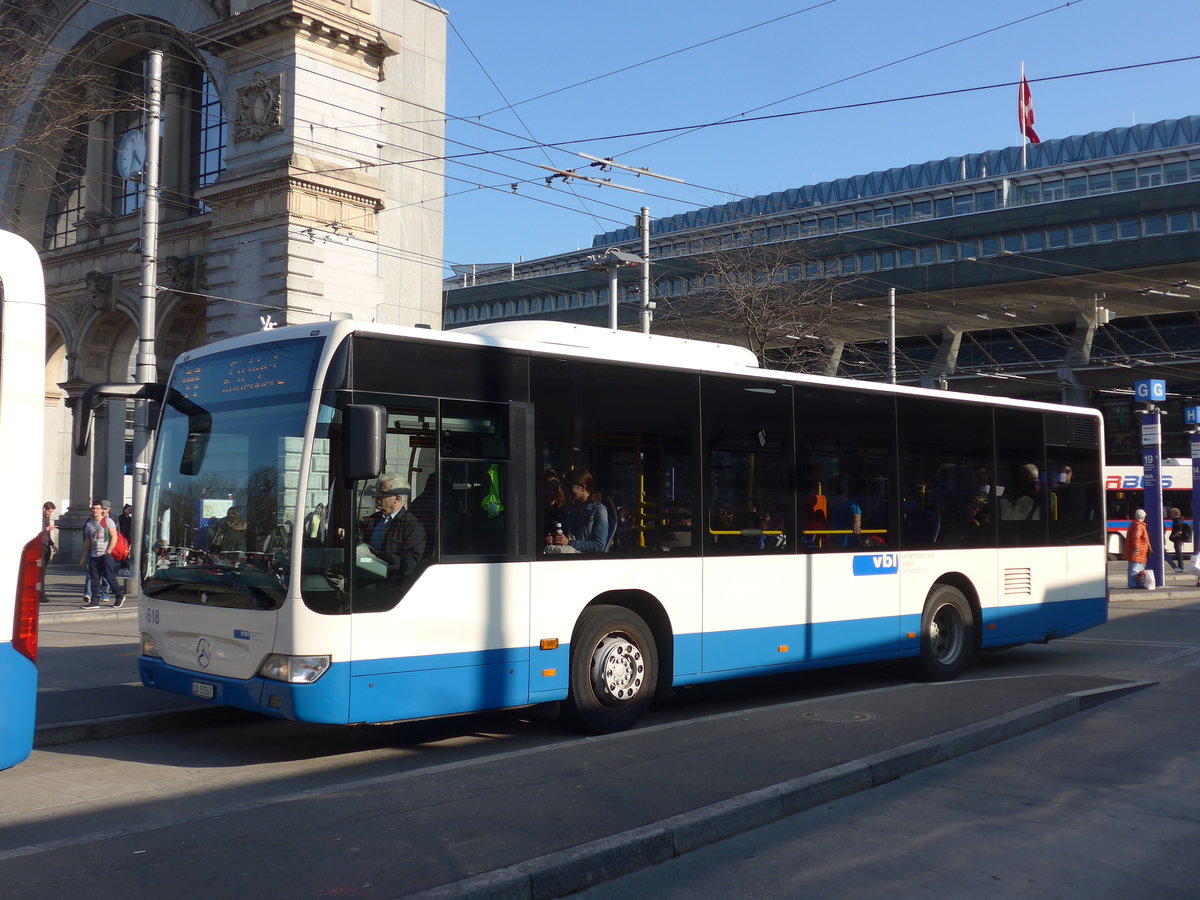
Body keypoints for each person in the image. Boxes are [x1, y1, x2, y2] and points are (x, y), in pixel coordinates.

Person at [359, 473, 427, 577]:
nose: (376, 496)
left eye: (382, 493)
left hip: (390, 585)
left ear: (397, 499)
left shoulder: (413, 527)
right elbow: (358, 535)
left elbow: (408, 565)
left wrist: (377, 559)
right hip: (364, 575)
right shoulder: (374, 519)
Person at [548, 468, 609, 553]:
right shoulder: (569, 509)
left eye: (570, 487)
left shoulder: (599, 510)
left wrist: (569, 543)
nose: (567, 491)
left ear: (583, 487)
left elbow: (599, 546)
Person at [79, 500, 125, 609]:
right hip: (94, 555)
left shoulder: (108, 521)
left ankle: (119, 596)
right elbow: (87, 541)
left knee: (109, 577)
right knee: (94, 578)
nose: (95, 510)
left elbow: (114, 537)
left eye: (98, 509)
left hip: (105, 554)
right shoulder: (89, 524)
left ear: (101, 510)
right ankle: (95, 601)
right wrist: (84, 557)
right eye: (93, 508)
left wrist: (108, 551)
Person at [827, 479, 862, 548]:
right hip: (832, 543)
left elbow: (857, 518)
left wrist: (857, 525)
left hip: (846, 545)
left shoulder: (852, 504)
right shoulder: (832, 506)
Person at [1123, 508, 1151, 589]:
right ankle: (1133, 584)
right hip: (1138, 551)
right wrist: (1136, 548)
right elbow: (1136, 538)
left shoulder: (1136, 524)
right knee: (1135, 568)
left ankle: (1136, 583)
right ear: (1142, 517)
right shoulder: (1138, 526)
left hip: (1140, 551)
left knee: (1137, 568)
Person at [40, 501, 56, 603]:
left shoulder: (46, 518)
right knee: (40, 572)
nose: (49, 514)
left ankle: (41, 594)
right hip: (40, 546)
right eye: (49, 512)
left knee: (43, 571)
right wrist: (47, 528)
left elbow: (47, 535)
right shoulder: (39, 518)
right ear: (44, 509)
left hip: (46, 546)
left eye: (51, 512)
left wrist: (52, 544)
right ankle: (41, 595)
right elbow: (39, 531)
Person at [542, 469, 567, 538]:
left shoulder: (563, 508)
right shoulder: (536, 507)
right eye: (549, 489)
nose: (552, 493)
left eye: (555, 489)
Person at [1168, 507, 1187, 574]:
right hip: (1178, 539)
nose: (1170, 515)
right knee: (1178, 553)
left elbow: (1179, 532)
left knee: (1179, 554)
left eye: (1171, 513)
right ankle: (1180, 567)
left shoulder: (1177, 521)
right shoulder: (1179, 520)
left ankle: (1180, 568)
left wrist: (1173, 536)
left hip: (1178, 539)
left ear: (1174, 514)